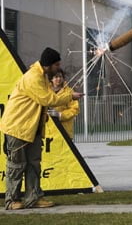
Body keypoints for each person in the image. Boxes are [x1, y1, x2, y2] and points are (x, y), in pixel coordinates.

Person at [0, 47, 83, 210]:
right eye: (57, 64)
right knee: (16, 165)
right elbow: (47, 99)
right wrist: (70, 96)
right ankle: (11, 201)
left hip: (32, 128)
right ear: (49, 65)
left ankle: (34, 198)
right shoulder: (33, 77)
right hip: (18, 127)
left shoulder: (44, 76)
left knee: (33, 164)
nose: (59, 68)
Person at [48, 70, 80, 140]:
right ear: (51, 79)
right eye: (56, 77)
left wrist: (60, 115)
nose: (59, 79)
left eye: (60, 76)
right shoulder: (46, 91)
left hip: (65, 130)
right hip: (49, 131)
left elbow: (74, 109)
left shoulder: (69, 91)